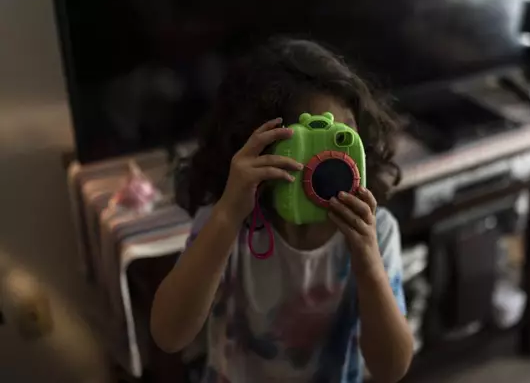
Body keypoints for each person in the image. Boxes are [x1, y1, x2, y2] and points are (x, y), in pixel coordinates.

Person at [151, 38, 413, 383]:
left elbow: (392, 369)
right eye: (309, 145)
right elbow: (169, 335)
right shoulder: (228, 224)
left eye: (341, 138)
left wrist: (368, 262)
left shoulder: (377, 232)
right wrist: (228, 215)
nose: (329, 163)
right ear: (258, 149)